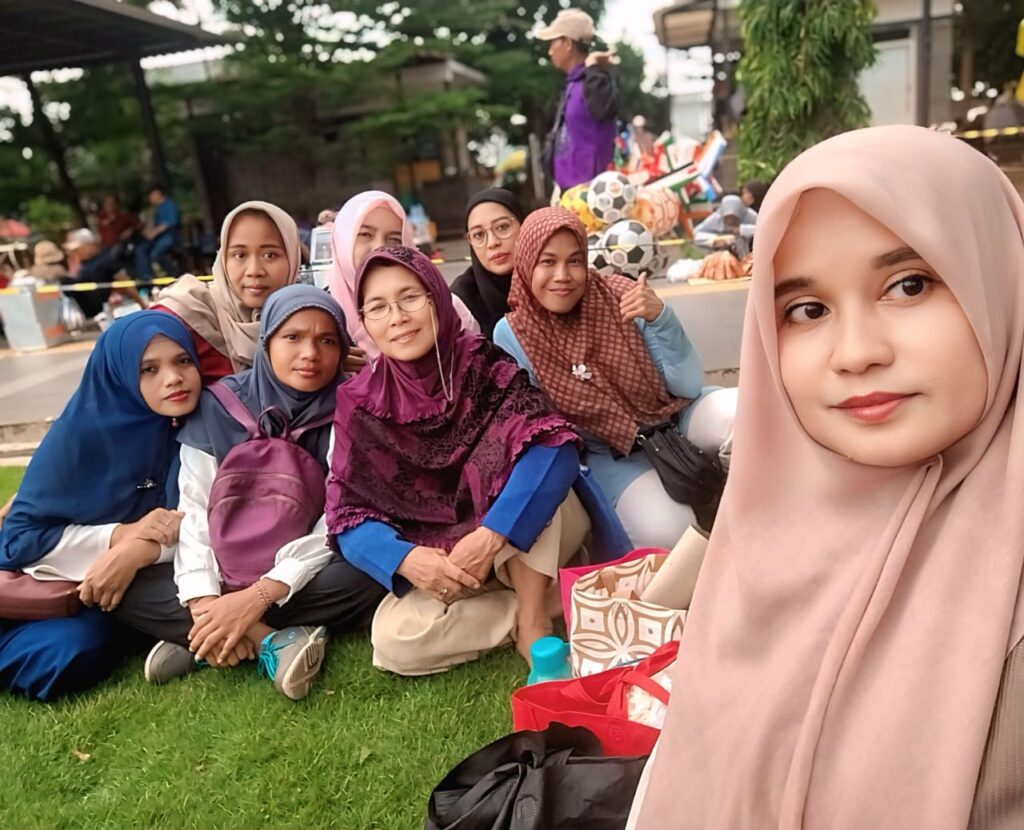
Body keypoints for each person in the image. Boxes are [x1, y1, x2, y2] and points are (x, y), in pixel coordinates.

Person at [629, 126, 1024, 829]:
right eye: (807, 310)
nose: (856, 352)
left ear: (999, 280)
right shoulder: (764, 530)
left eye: (909, 285)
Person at [327, 246, 599, 674]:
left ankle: (533, 621)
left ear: (437, 297)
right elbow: (346, 512)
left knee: (528, 470)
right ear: (364, 321)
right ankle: (562, 598)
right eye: (378, 307)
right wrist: (406, 559)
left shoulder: (482, 364)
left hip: (520, 540)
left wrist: (491, 535)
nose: (397, 317)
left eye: (410, 297)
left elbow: (555, 448)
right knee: (395, 642)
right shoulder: (360, 402)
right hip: (448, 560)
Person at [116, 285, 385, 700]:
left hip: (299, 571)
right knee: (130, 588)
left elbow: (337, 519)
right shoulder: (219, 405)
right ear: (267, 341)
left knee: (368, 573)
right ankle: (265, 640)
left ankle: (197, 638)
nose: (310, 353)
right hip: (227, 566)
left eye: (326, 341)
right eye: (292, 337)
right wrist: (203, 598)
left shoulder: (349, 407)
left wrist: (262, 594)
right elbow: (194, 508)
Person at [494, 207, 736, 550]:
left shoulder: (622, 295)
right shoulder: (513, 333)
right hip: (613, 454)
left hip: (675, 416)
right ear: (526, 262)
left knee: (743, 417)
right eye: (547, 261)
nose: (562, 275)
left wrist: (661, 318)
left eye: (574, 261)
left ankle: (764, 527)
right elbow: (541, 426)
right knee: (671, 534)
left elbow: (687, 386)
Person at [0, 312, 201, 700]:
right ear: (119, 374)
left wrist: (137, 551)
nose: (173, 378)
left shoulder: (197, 428)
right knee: (67, 653)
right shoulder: (78, 437)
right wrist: (121, 536)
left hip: (135, 581)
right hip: (44, 579)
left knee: (93, 640)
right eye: (149, 369)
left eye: (182, 361)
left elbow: (199, 520)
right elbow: (20, 538)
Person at [326, 190, 479, 369]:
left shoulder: (447, 307)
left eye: (394, 239)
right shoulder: (322, 318)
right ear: (342, 240)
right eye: (366, 235)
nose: (380, 247)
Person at [155, 200, 300, 384]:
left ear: (293, 257)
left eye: (269, 255)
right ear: (223, 258)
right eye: (239, 255)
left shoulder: (312, 318)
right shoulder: (188, 313)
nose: (254, 270)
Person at [537, 9, 619, 193]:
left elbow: (603, 110)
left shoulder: (595, 80)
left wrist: (594, 68)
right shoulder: (573, 83)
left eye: (553, 43)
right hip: (567, 190)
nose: (550, 51)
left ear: (567, 43)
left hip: (592, 194)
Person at [451, 187, 528, 339]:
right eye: (478, 234)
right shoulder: (460, 303)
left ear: (524, 225)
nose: (492, 243)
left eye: (502, 227)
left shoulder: (552, 281)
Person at [133, 184, 181, 280]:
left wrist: (154, 233)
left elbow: (168, 223)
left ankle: (176, 274)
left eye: (151, 196)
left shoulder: (169, 205)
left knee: (156, 254)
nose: (150, 199)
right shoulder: (158, 208)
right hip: (158, 239)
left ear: (157, 194)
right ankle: (146, 276)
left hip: (169, 238)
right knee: (140, 249)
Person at [693, 193, 758, 258]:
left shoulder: (750, 217)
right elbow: (696, 234)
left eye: (734, 218)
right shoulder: (716, 218)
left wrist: (742, 230)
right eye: (727, 217)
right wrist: (714, 240)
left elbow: (760, 230)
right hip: (718, 254)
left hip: (743, 253)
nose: (731, 221)